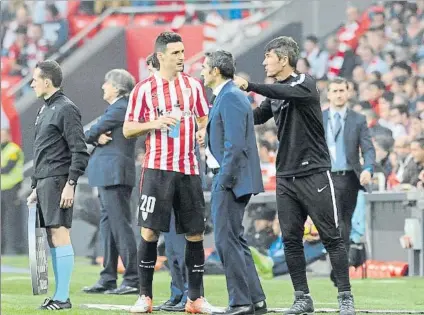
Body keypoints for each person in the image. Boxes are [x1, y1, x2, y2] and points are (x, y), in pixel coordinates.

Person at [233, 36, 356, 315]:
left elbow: (284, 93)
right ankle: (303, 297)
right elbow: (256, 116)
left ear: (284, 59)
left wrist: (249, 85)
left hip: (314, 172)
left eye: (268, 57)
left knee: (331, 237)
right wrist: (226, 109)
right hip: (286, 176)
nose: (264, 62)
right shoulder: (275, 93)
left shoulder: (305, 83)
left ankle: (345, 296)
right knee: (290, 238)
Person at [123, 31, 214, 314]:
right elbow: (128, 129)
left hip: (188, 169)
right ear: (160, 56)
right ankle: (144, 296)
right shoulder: (143, 89)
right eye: (175, 53)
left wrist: (201, 130)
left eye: (182, 52)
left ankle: (195, 298)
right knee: (149, 231)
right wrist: (154, 123)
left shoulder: (193, 86)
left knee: (195, 232)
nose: (181, 58)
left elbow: (203, 115)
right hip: (157, 169)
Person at [199, 50, 267, 315]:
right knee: (235, 239)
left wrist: (223, 181)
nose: (202, 71)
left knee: (226, 240)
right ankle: (256, 299)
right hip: (231, 177)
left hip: (231, 180)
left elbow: (236, 145)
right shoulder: (226, 97)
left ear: (216, 70)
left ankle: (240, 302)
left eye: (205, 67)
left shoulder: (230, 97)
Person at [27, 60, 89, 310]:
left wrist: (70, 183)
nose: (31, 83)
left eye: (35, 78)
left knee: (60, 234)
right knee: (53, 237)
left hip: (58, 180)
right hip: (45, 181)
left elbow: (79, 150)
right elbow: (42, 151)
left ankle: (63, 297)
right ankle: (58, 294)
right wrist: (35, 185)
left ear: (47, 81)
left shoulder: (66, 108)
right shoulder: (45, 109)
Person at [82, 69, 139, 295]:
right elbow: (94, 133)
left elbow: (88, 133)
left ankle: (133, 278)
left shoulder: (119, 108)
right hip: (109, 175)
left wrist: (95, 136)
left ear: (116, 87)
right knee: (108, 226)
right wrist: (97, 136)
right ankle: (108, 277)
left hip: (114, 175)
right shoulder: (118, 108)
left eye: (106, 83)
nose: (103, 87)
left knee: (120, 226)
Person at [146, 52, 189, 312]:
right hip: (161, 174)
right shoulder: (154, 100)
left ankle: (188, 294)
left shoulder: (184, 94)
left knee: (180, 241)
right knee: (170, 243)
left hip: (181, 174)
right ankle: (176, 292)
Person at [323, 77, 375, 286]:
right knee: (331, 225)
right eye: (334, 91)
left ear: (348, 93)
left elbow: (368, 148)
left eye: (342, 90)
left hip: (348, 178)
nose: (338, 94)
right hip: (324, 178)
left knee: (343, 224)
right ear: (328, 94)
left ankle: (339, 271)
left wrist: (368, 168)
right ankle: (339, 268)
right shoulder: (319, 117)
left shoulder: (358, 119)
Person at [1, 128, 25, 255]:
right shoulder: (2, 150)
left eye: (3, 135)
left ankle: (17, 248)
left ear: (9, 136)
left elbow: (7, 169)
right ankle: (2, 248)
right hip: (1, 189)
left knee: (13, 220)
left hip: (12, 188)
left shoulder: (13, 150)